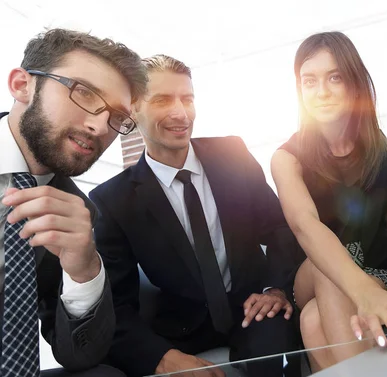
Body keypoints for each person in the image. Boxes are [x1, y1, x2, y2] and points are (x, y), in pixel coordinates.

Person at [89, 54, 303, 377]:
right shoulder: (112, 201)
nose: (180, 112)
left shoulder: (233, 154)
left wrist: (275, 289)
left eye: (187, 99)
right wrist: (163, 357)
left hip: (255, 310)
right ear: (133, 109)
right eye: (162, 99)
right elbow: (116, 306)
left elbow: (279, 229)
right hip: (179, 332)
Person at [271, 31, 387, 372]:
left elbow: (381, 224)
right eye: (309, 81)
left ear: (354, 82)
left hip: (376, 268)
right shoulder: (286, 158)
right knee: (324, 262)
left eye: (335, 77)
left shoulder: (376, 147)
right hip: (313, 276)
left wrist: (374, 284)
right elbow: (305, 226)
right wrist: (364, 291)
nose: (322, 92)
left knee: (314, 322)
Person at [0, 28, 147, 377]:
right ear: (22, 86)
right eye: (83, 92)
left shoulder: (77, 211)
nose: (100, 126)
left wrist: (84, 271)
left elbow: (79, 356)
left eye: (117, 117)